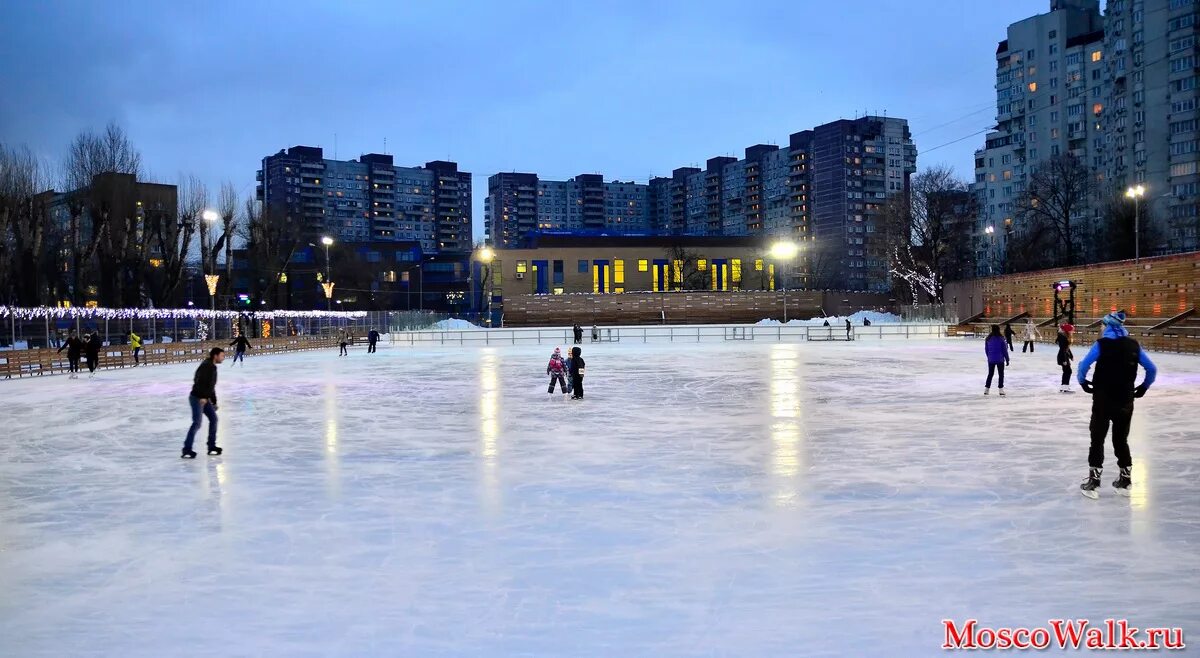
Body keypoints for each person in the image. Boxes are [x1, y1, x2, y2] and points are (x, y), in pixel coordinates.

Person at [1076, 311, 1157, 498]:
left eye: (1102, 325)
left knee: (1097, 439)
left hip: (1103, 399)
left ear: (1107, 326)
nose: (1101, 328)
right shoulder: (1134, 345)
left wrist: (1082, 382)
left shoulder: (1101, 344)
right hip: (1125, 399)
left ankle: (1094, 483)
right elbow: (1151, 369)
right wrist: (1144, 386)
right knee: (1121, 440)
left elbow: (1083, 365)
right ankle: (1125, 481)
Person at [183, 347, 225, 459]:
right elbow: (198, 380)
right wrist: (202, 397)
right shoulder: (206, 366)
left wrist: (214, 401)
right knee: (197, 423)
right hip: (197, 398)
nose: (223, 358)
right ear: (215, 356)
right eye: (222, 356)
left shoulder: (212, 366)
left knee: (214, 419)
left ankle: (211, 446)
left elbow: (211, 386)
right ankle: (187, 449)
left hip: (204, 398)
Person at [983, 324, 1010, 396]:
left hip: (991, 360)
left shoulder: (988, 339)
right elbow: (1005, 350)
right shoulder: (1001, 339)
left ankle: (986, 389)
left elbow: (986, 350)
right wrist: (1007, 359)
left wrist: (989, 357)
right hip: (1000, 359)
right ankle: (1001, 390)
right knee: (1001, 374)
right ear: (998, 330)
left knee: (990, 374)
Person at [1055, 324, 1075, 393]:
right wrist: (1064, 360)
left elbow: (1067, 348)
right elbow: (1063, 349)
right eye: (1071, 330)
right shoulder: (1063, 338)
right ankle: (1065, 387)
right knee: (1068, 371)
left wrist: (1071, 356)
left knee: (1067, 371)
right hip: (1063, 356)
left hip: (1064, 356)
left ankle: (1064, 387)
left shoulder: (1064, 337)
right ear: (1068, 331)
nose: (1073, 331)